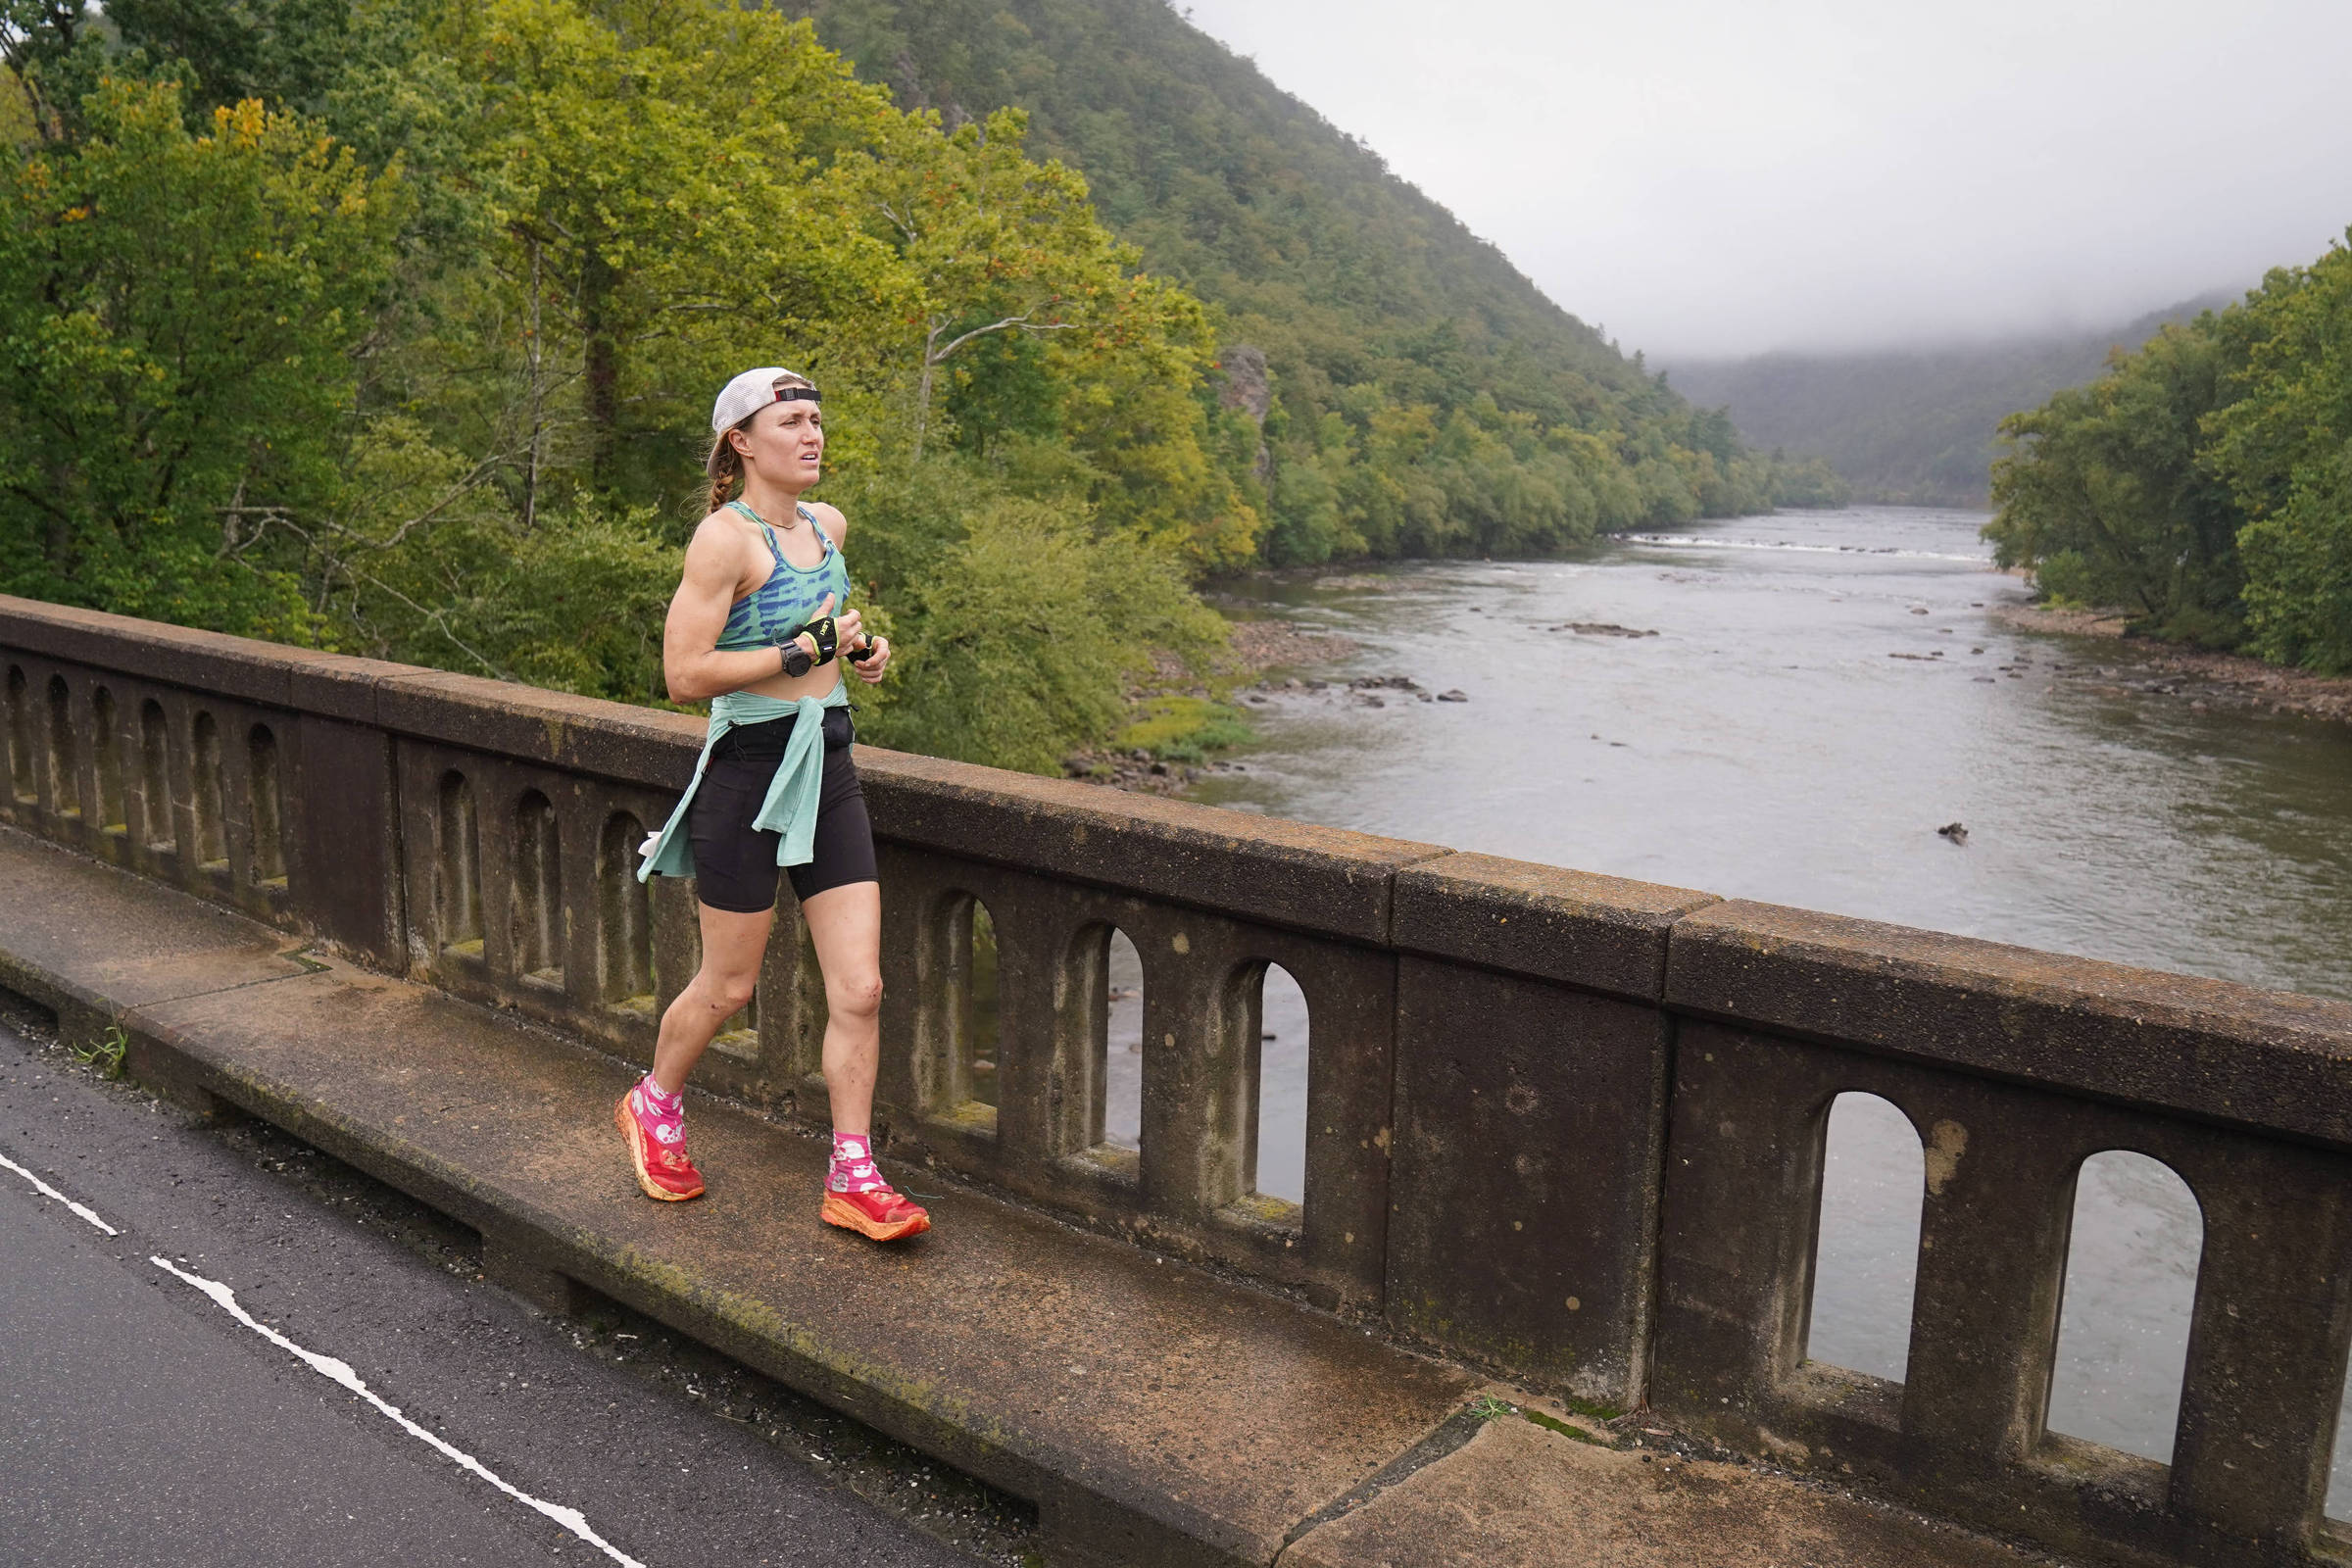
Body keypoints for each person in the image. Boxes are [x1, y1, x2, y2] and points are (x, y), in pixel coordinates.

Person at [615, 367, 929, 1243]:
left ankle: (853, 1174)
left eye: (817, 419)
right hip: (748, 773)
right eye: (790, 421)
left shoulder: (828, 528)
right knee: (728, 986)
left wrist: (861, 650)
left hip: (828, 765)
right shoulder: (724, 542)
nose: (812, 434)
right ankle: (653, 1103)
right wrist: (797, 654)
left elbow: (831, 631)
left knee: (861, 987)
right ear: (742, 443)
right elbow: (683, 676)